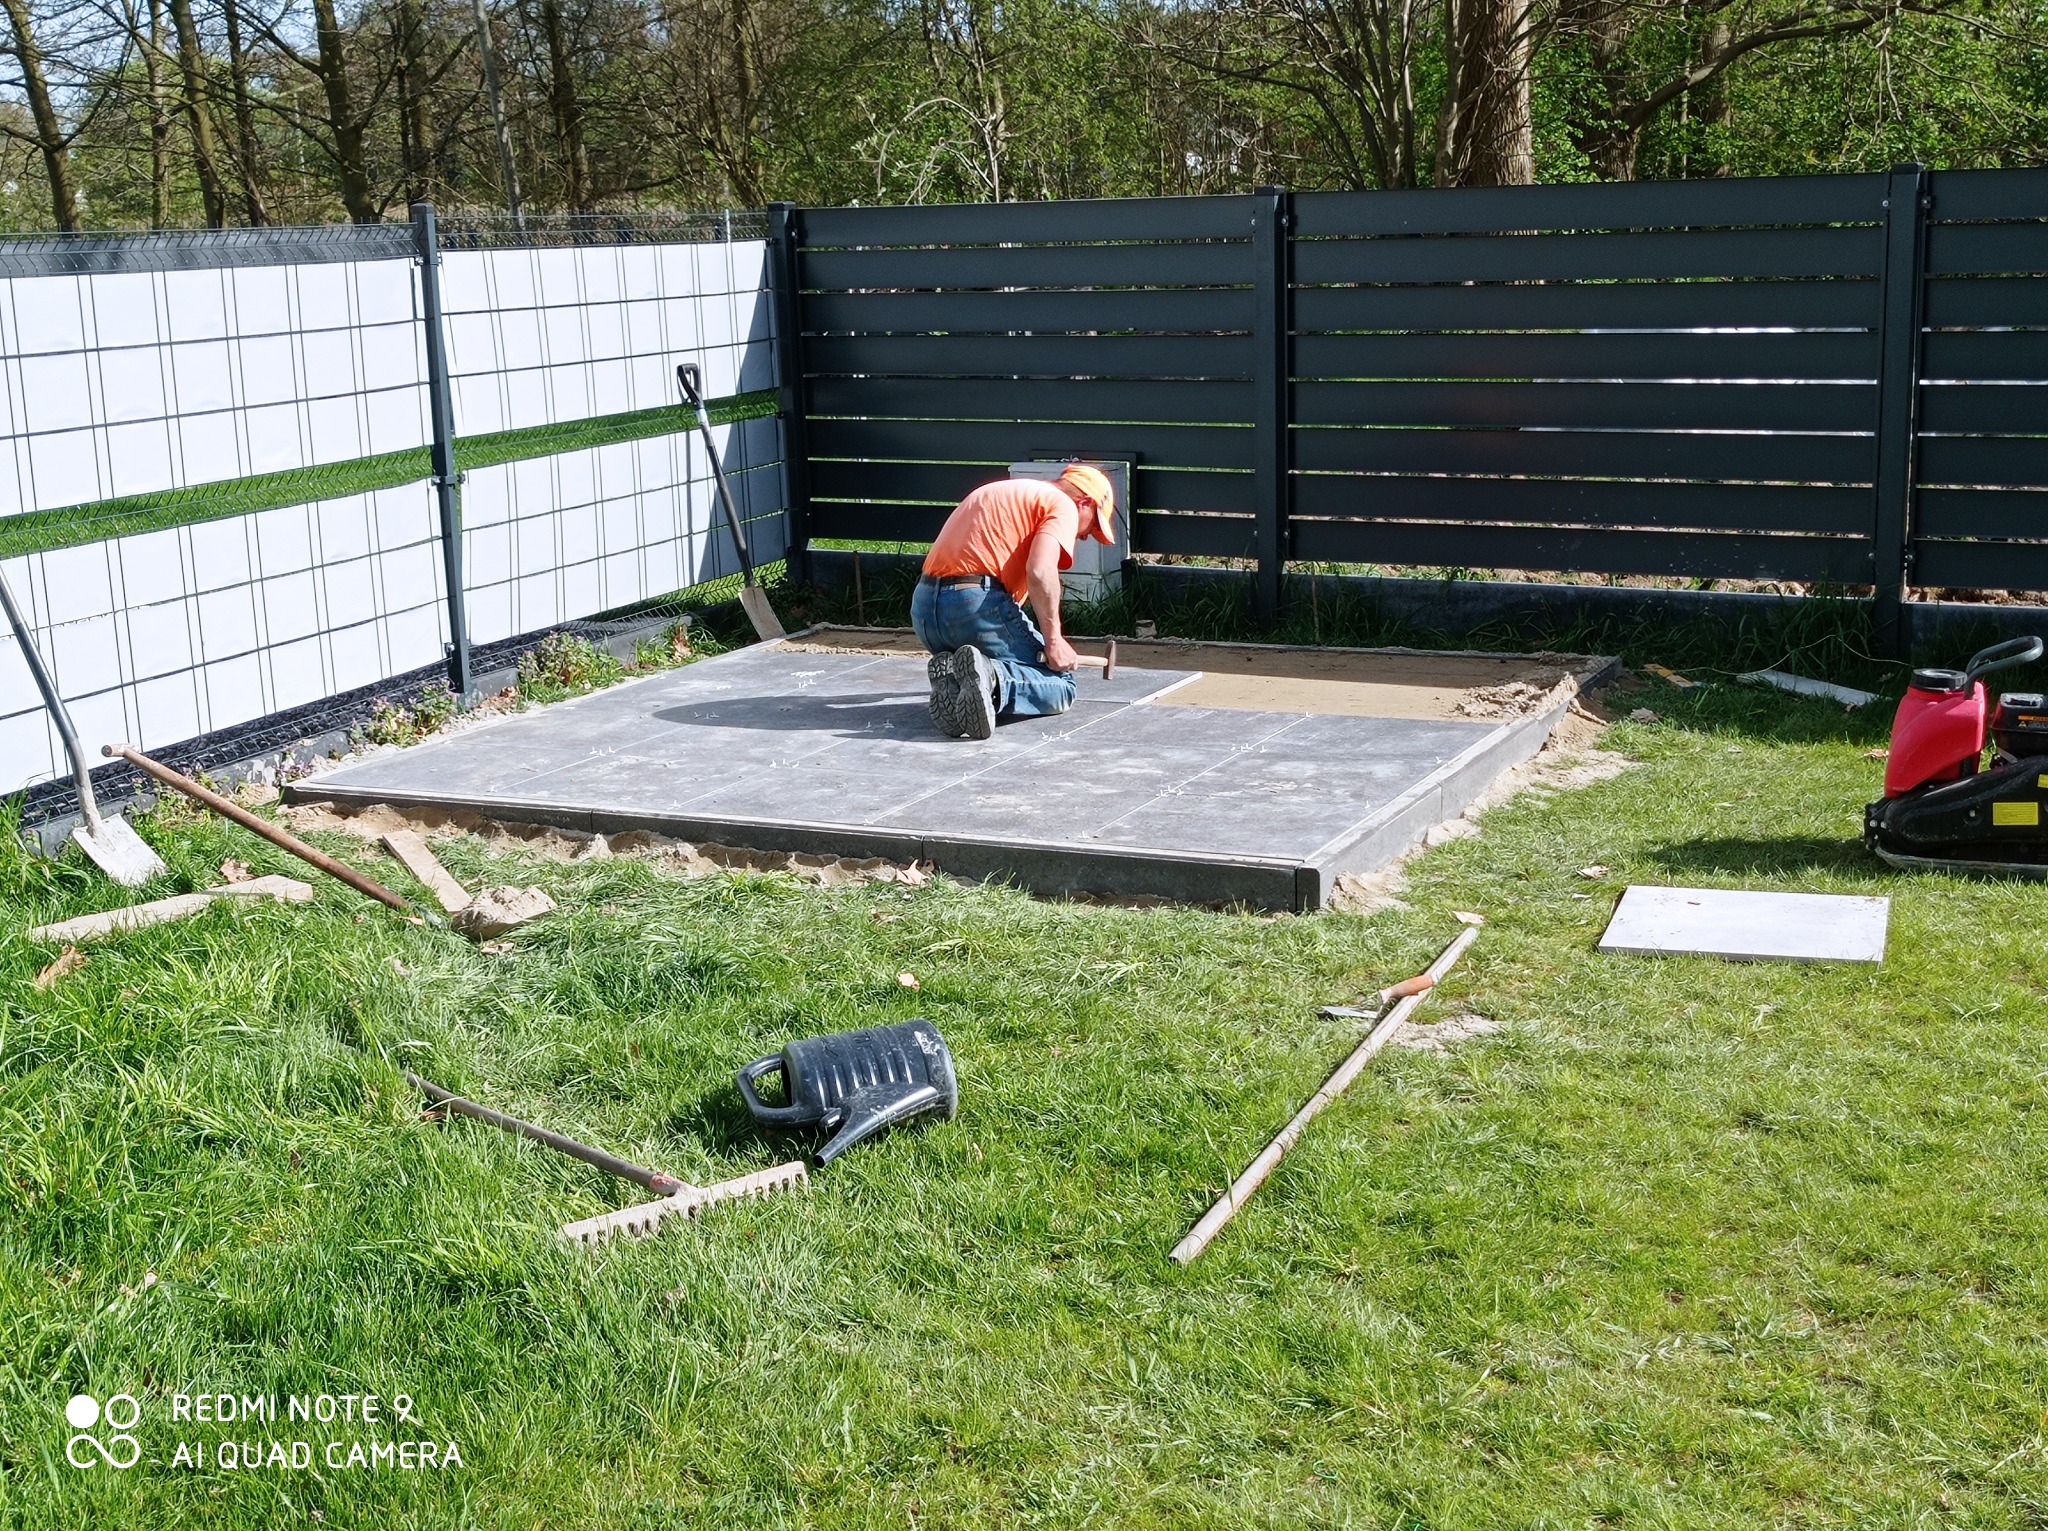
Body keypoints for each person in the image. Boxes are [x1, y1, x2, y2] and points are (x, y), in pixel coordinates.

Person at [912, 464, 1117, 739]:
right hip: (973, 607)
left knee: (978, 665)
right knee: (1061, 686)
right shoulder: (1062, 504)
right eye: (1092, 526)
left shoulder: (1002, 491)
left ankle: (957, 681)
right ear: (1085, 503)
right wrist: (1054, 642)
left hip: (925, 610)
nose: (1084, 536)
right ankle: (991, 677)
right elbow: (1041, 571)